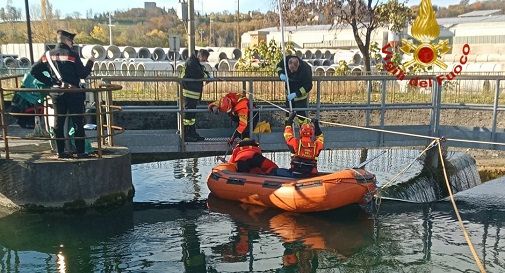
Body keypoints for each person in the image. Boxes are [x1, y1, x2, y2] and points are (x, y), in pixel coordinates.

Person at [30, 29, 94, 159]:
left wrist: (50, 82)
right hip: (73, 93)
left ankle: (60, 152)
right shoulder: (72, 54)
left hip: (57, 93)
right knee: (77, 122)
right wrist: (91, 62)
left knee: (59, 122)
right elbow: (82, 74)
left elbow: (34, 71)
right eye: (71, 40)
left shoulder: (47, 55)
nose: (73, 43)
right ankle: (80, 152)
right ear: (66, 40)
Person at [277, 112, 324, 178]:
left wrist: (290, 120)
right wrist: (316, 125)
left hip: (295, 175)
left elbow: (287, 134)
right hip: (309, 175)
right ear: (312, 133)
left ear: (300, 132)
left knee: (276, 171)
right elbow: (320, 137)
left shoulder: (295, 143)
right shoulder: (316, 145)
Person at [180, 49, 211, 142]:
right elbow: (199, 74)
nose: (205, 60)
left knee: (192, 116)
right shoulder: (191, 62)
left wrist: (207, 75)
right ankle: (186, 134)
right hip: (189, 92)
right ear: (200, 55)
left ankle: (192, 133)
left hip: (193, 93)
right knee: (188, 115)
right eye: (205, 58)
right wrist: (207, 77)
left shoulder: (195, 62)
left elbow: (202, 71)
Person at [276, 55, 313, 125]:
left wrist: (296, 94)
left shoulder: (306, 69)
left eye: (293, 70)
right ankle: (288, 128)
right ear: (288, 64)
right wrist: (280, 74)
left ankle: (304, 130)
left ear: (297, 66)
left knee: (301, 115)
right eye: (290, 70)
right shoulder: (285, 60)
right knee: (288, 113)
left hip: (300, 96)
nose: (291, 72)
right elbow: (278, 66)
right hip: (289, 93)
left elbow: (308, 86)